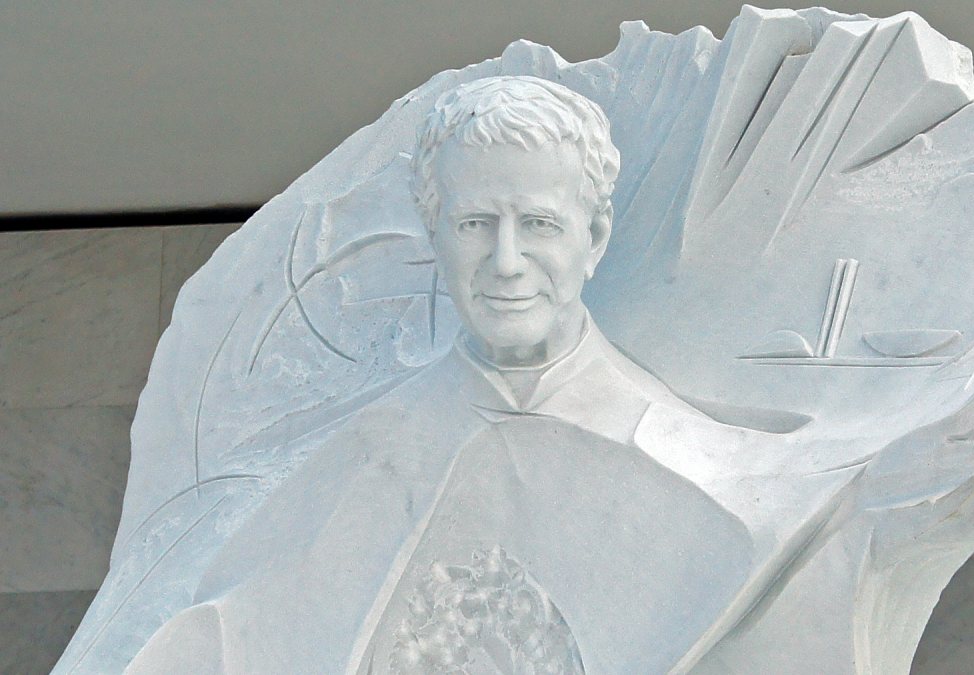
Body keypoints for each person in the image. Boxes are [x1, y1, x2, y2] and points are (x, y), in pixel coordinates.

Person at [118, 75, 867, 674]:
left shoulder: (714, 473)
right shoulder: (356, 462)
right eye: (476, 224)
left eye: (538, 224)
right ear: (435, 231)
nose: (506, 261)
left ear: (594, 237)